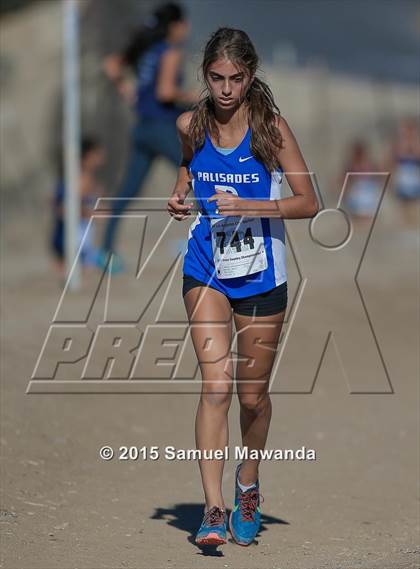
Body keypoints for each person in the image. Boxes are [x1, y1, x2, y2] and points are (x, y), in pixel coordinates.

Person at [167, 28, 319, 546]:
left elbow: (309, 201)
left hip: (259, 272)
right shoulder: (191, 124)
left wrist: (254, 206)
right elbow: (189, 165)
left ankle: (247, 484)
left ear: (250, 76)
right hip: (205, 266)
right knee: (216, 387)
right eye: (216, 78)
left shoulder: (270, 130)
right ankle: (212, 509)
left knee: (252, 399)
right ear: (205, 76)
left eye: (236, 78)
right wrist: (181, 190)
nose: (226, 89)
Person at [98, 2, 199, 271]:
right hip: (161, 127)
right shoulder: (169, 51)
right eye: (184, 23)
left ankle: (105, 253)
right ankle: (210, 242)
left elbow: (110, 66)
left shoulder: (147, 51)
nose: (187, 29)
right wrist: (193, 97)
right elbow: (165, 93)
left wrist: (129, 92)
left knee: (126, 192)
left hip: (141, 128)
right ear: (174, 26)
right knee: (200, 177)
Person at [50, 136, 105, 278]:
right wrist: (92, 213)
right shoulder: (79, 180)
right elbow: (63, 209)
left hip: (82, 241)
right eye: (97, 153)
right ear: (86, 156)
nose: (101, 157)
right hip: (71, 239)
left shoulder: (88, 179)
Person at [385, 117, 420, 229]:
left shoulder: (416, 145)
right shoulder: (397, 145)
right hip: (402, 181)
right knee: (402, 211)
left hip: (414, 180)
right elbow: (390, 163)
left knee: (414, 210)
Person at [339, 140, 381, 224]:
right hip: (356, 191)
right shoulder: (351, 164)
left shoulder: (370, 164)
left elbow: (378, 177)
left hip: (368, 191)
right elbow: (342, 179)